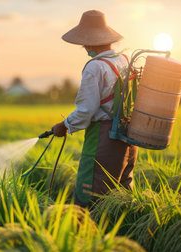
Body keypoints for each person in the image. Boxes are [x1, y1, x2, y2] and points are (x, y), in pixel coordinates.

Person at [51, 10, 138, 208]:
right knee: (122, 195)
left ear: (88, 42)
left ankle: (85, 235)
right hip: (128, 135)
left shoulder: (95, 67)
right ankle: (121, 234)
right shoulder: (124, 60)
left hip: (104, 137)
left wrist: (65, 125)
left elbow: (86, 110)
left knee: (90, 195)